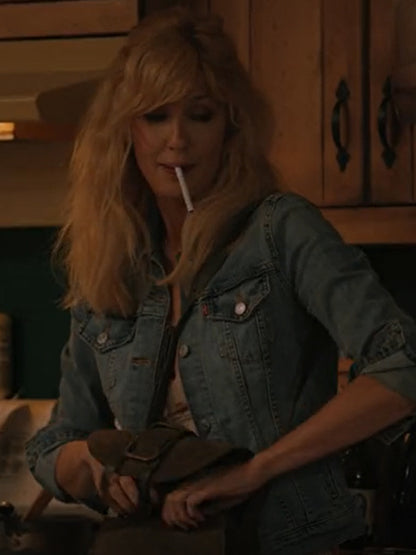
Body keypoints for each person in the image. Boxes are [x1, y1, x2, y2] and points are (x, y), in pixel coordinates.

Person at [26, 7, 416, 555]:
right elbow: (58, 439)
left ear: (230, 128)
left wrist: (256, 470)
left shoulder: (279, 231)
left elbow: (403, 366)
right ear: (127, 131)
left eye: (201, 115)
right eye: (156, 116)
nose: (178, 140)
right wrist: (95, 470)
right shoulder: (112, 262)